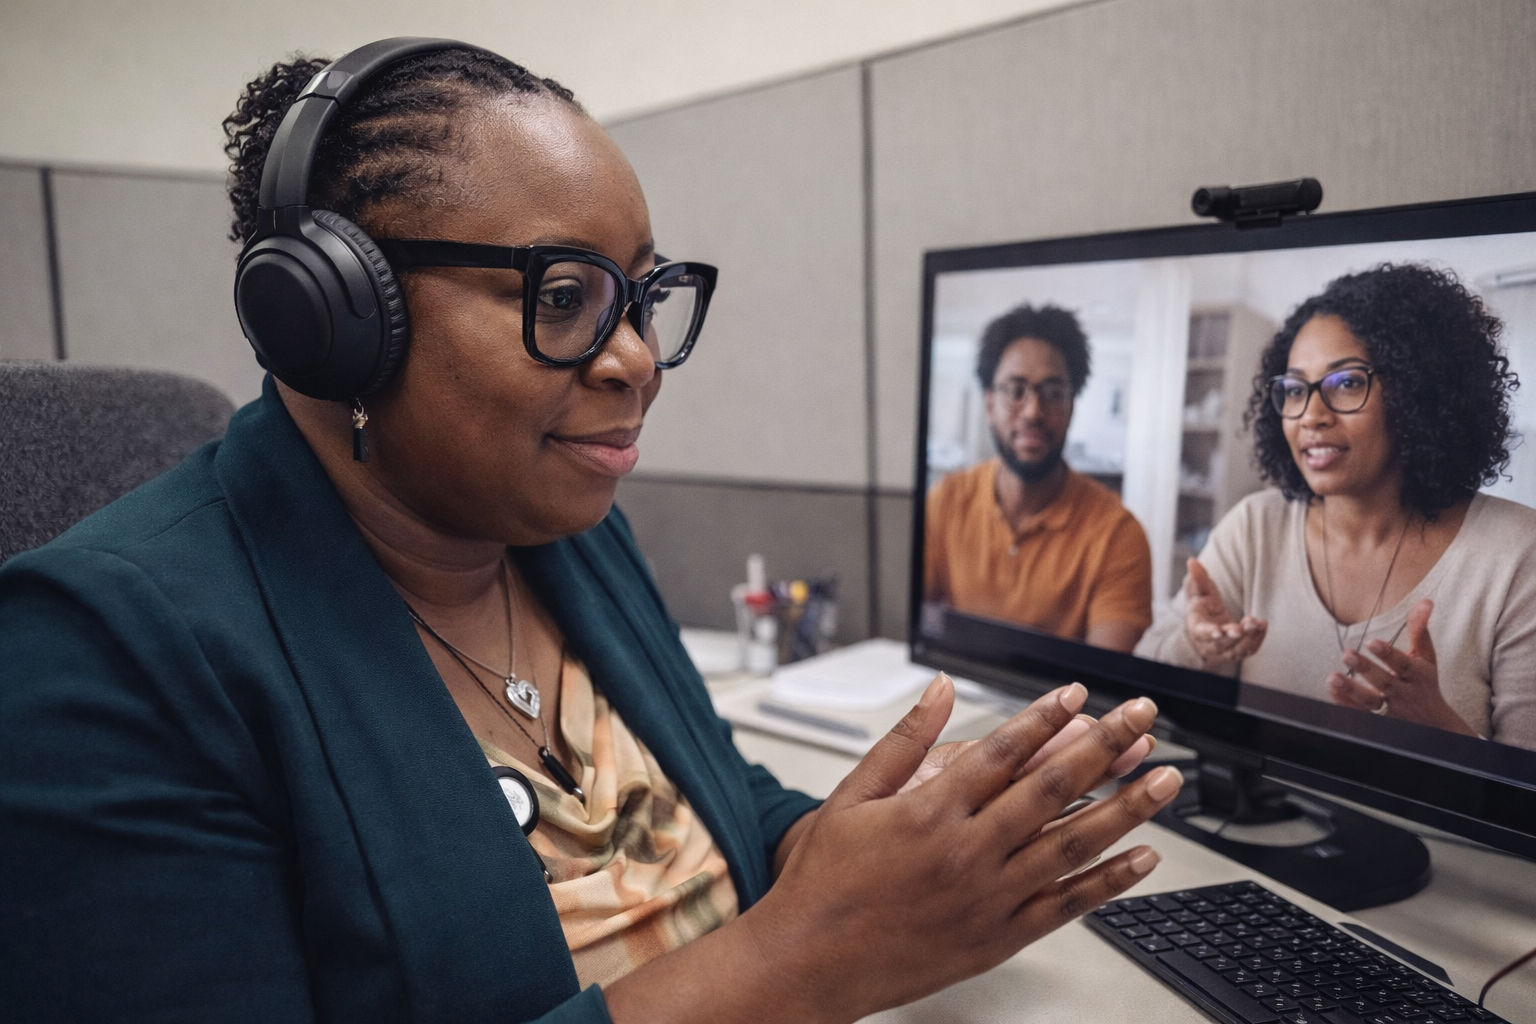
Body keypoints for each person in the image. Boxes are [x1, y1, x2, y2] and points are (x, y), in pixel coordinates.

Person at [0, 41, 1180, 1023]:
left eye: (644, 297)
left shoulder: (554, 526)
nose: (633, 361)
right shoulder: (99, 661)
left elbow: (701, 800)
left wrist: (895, 847)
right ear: (334, 316)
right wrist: (803, 960)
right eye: (565, 298)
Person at [1136, 263, 1536, 749]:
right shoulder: (1256, 526)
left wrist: (1442, 733)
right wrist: (1195, 646)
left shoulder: (1517, 554)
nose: (1311, 416)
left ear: (1417, 392)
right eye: (1296, 389)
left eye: (1347, 383)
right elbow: (1143, 681)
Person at [925, 303, 1154, 652]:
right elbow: (910, 627)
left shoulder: (1117, 534)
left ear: (1072, 404)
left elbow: (1105, 686)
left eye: (1052, 393)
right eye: (1016, 391)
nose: (1033, 411)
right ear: (989, 404)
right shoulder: (947, 501)